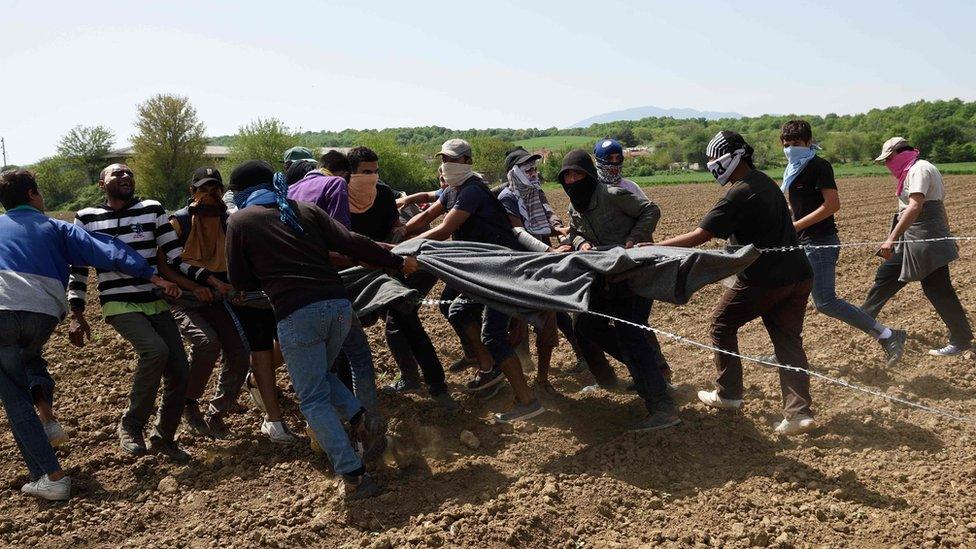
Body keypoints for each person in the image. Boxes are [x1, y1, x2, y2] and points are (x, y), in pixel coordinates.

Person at [225, 160, 417, 499]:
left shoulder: (240, 221)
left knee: (311, 398)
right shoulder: (304, 210)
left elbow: (240, 280)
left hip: (297, 314)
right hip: (339, 307)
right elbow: (351, 241)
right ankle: (359, 417)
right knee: (318, 376)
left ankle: (354, 476)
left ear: (240, 193)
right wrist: (398, 261)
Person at [0, 169, 181, 500]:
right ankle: (48, 418)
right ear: (32, 196)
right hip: (41, 315)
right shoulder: (55, 226)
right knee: (28, 359)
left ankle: (50, 476)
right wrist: (151, 276)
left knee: (14, 397)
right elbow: (106, 250)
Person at [655, 131, 816, 436]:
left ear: (734, 158)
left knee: (720, 323)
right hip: (799, 274)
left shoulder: (738, 192)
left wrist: (655, 248)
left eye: (715, 160)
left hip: (766, 278)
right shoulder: (764, 181)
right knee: (787, 340)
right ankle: (798, 413)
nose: (712, 166)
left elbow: (701, 235)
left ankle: (728, 394)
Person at [67, 164, 228, 461]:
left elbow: (176, 259)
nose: (125, 177)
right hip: (118, 301)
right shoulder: (86, 218)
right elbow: (77, 270)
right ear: (102, 184)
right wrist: (77, 312)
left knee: (179, 368)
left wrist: (209, 279)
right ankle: (131, 424)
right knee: (155, 351)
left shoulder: (152, 209)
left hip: (155, 301)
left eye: (128, 173)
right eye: (117, 174)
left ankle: (164, 437)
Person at [413, 139, 545, 423]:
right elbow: (426, 216)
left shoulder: (472, 191)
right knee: (455, 308)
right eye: (443, 159)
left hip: (500, 269)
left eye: (453, 160)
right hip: (481, 271)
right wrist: (397, 234)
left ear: (467, 162)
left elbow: (446, 228)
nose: (446, 165)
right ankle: (489, 367)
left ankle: (527, 401)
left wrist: (402, 248)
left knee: (493, 335)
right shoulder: (452, 191)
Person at [556, 150, 678, 431]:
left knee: (632, 337)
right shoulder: (575, 207)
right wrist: (579, 244)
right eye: (567, 176)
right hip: (605, 277)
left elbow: (650, 209)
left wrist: (633, 240)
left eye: (577, 174)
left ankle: (662, 406)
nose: (572, 180)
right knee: (586, 324)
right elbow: (574, 232)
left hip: (634, 276)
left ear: (589, 174)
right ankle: (651, 374)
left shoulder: (611, 194)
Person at [777, 120, 906, 367]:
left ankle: (889, 335)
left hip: (821, 243)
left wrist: (796, 226)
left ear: (807, 142)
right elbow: (799, 205)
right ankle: (787, 352)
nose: (790, 148)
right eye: (786, 144)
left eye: (795, 143)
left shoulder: (819, 166)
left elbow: (832, 205)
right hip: (802, 242)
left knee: (825, 301)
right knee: (791, 297)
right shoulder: (792, 168)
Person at [345, 146, 459, 411]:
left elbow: (394, 227)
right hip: (355, 272)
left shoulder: (383, 194)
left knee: (405, 318)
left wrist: (396, 238)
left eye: (375, 171)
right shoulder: (339, 197)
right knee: (352, 331)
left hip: (388, 266)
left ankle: (437, 387)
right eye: (365, 172)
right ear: (350, 173)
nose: (371, 177)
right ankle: (358, 398)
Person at [157, 167, 259, 439]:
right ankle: (189, 404)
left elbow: (237, 261)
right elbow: (164, 266)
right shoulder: (178, 222)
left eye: (215, 189)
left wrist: (235, 287)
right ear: (193, 192)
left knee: (239, 351)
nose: (211, 195)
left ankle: (218, 411)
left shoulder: (229, 221)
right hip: (183, 297)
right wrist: (193, 287)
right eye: (204, 189)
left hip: (217, 296)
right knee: (206, 342)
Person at [862, 137, 973, 357]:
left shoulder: (919, 169)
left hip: (925, 238)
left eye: (889, 159)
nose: (887, 164)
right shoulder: (913, 170)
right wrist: (947, 234)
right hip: (917, 237)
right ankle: (863, 316)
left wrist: (891, 238)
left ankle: (961, 339)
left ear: (901, 152)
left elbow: (915, 207)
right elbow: (937, 208)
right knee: (888, 273)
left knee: (938, 289)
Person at [285, 157, 380, 412]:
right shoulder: (335, 183)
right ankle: (369, 426)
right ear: (345, 173)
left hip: (294, 294)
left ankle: (339, 418)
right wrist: (379, 256)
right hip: (327, 286)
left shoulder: (290, 190)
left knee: (324, 365)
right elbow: (343, 239)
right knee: (359, 357)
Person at [496, 147, 586, 391]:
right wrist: (549, 252)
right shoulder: (508, 197)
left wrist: (560, 230)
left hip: (543, 263)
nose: (534, 172)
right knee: (519, 321)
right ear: (515, 173)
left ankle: (543, 378)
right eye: (528, 169)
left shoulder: (535, 191)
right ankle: (517, 372)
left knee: (550, 318)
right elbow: (518, 231)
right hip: (523, 265)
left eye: (535, 168)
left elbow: (549, 215)